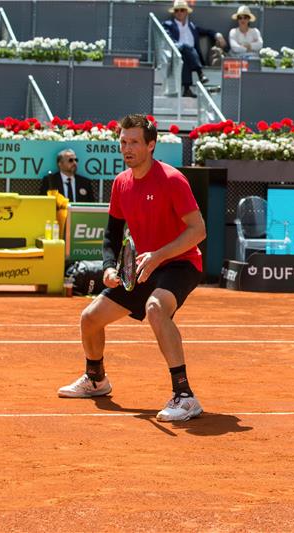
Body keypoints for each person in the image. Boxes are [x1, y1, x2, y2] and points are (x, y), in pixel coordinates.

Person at [57, 114, 207, 423]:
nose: (127, 148)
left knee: (155, 308)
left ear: (151, 145)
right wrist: (110, 268)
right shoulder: (121, 183)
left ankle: (185, 395)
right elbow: (112, 234)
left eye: (134, 142)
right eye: (123, 142)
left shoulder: (172, 180)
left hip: (180, 262)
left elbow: (198, 230)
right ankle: (96, 379)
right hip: (142, 266)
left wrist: (159, 254)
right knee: (90, 319)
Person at [162, 0, 215, 98]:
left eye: (182, 10)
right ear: (174, 12)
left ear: (186, 12)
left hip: (188, 56)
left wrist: (217, 35)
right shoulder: (168, 24)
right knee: (186, 47)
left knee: (185, 56)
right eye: (177, 10)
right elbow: (170, 40)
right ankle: (200, 73)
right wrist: (182, 46)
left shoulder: (191, 25)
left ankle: (186, 89)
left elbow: (206, 31)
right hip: (175, 52)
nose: (179, 12)